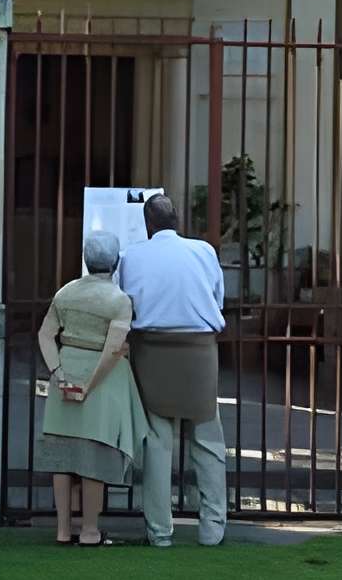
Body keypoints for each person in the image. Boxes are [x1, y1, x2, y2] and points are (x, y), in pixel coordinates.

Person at [114, 190, 227, 547]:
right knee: (208, 441)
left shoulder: (131, 256)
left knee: (158, 444)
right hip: (199, 351)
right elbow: (217, 297)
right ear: (177, 222)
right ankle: (212, 529)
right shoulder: (204, 251)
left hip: (153, 351)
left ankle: (160, 533)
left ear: (147, 225)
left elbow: (124, 305)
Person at [34, 229, 148, 546]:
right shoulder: (119, 300)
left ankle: (61, 530)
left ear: (86, 259)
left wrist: (57, 373)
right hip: (101, 379)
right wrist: (89, 385)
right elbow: (113, 350)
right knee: (92, 455)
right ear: (115, 263)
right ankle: (89, 530)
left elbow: (45, 334)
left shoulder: (66, 292)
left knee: (61, 453)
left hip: (66, 367)